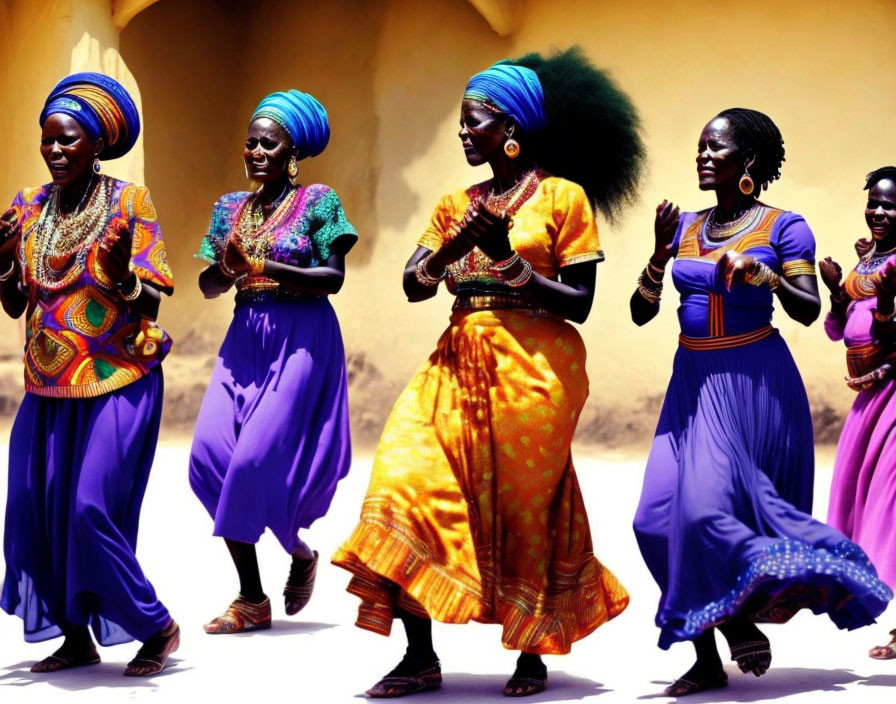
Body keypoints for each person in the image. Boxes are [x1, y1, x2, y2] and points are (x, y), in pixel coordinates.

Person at [332, 47, 644, 698]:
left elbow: (580, 304)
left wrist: (510, 259)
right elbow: (416, 285)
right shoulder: (456, 203)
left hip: (534, 367)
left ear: (511, 128)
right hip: (453, 359)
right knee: (405, 479)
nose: (464, 133)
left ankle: (531, 649)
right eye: (463, 122)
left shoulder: (563, 198)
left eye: (474, 121)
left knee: (523, 509)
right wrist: (456, 244)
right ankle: (419, 654)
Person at [631, 108, 892, 696]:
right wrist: (655, 253)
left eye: (715, 148)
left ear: (747, 161)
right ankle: (717, 633)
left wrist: (762, 277)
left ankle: (728, 631)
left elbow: (804, 308)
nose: (702, 156)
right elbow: (639, 310)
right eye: (699, 147)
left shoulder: (784, 227)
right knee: (653, 520)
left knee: (704, 514)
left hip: (750, 380)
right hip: (690, 381)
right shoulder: (686, 226)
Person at [0, 72, 179, 676]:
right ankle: (75, 636)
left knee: (87, 510)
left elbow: (153, 296)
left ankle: (156, 626)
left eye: (68, 140)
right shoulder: (28, 205)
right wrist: (2, 266)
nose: (54, 150)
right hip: (47, 386)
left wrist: (120, 276)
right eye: (47, 140)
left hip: (118, 378)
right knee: (33, 509)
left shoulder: (130, 201)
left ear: (97, 143)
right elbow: (17, 304)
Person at [189, 89, 356, 634]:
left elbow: (333, 277)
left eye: (268, 143)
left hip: (302, 334)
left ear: (291, 152)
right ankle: (275, 576)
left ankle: (263, 583)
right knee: (211, 456)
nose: (255, 151)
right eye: (250, 142)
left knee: (255, 459)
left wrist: (263, 262)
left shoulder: (318, 201)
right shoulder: (228, 208)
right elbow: (208, 283)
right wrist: (233, 267)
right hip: (245, 335)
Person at [822, 165, 896, 659]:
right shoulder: (870, 261)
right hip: (867, 400)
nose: (879, 211)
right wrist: (836, 290)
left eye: (890, 205)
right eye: (874, 201)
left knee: (891, 503)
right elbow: (836, 328)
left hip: (893, 395)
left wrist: (888, 306)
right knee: (866, 502)